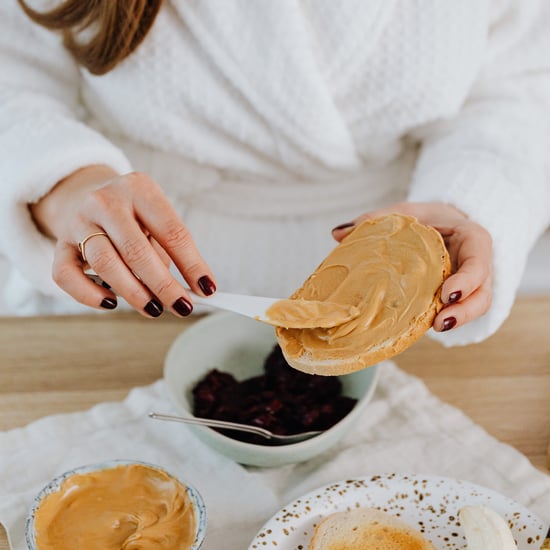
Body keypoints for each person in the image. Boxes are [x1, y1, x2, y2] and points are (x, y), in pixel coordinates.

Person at [0, 0, 549, 348]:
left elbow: (520, 86)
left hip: (398, 289)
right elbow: (13, 74)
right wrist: (69, 187)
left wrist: (464, 207)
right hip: (134, 279)